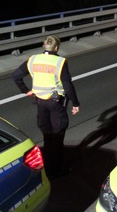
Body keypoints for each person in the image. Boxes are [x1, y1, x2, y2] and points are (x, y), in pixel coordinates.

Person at [12, 35, 80, 179]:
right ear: (56, 48)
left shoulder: (33, 60)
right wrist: (75, 103)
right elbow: (67, 85)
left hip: (40, 103)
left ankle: (46, 166)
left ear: (44, 46)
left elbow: (16, 76)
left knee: (47, 136)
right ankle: (58, 169)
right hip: (55, 103)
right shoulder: (59, 62)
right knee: (58, 136)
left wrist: (25, 90)